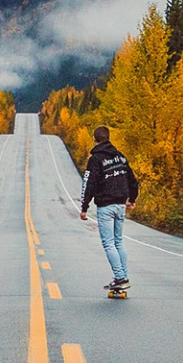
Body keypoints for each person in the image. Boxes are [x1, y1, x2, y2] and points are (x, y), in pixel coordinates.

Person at [78, 125, 140, 292]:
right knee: (118, 241)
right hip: (120, 205)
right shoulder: (120, 157)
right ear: (109, 138)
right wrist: (132, 199)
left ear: (95, 139)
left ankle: (120, 277)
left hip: (106, 206)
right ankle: (123, 277)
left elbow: (89, 184)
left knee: (108, 243)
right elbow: (132, 180)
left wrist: (84, 207)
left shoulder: (96, 160)